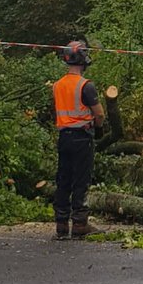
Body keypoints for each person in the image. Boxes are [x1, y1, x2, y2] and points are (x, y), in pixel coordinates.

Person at [51, 40, 104, 240]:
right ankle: (80, 223)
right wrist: (99, 128)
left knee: (63, 180)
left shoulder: (57, 85)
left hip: (64, 137)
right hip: (82, 137)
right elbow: (99, 114)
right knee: (81, 180)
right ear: (83, 59)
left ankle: (61, 224)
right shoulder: (86, 86)